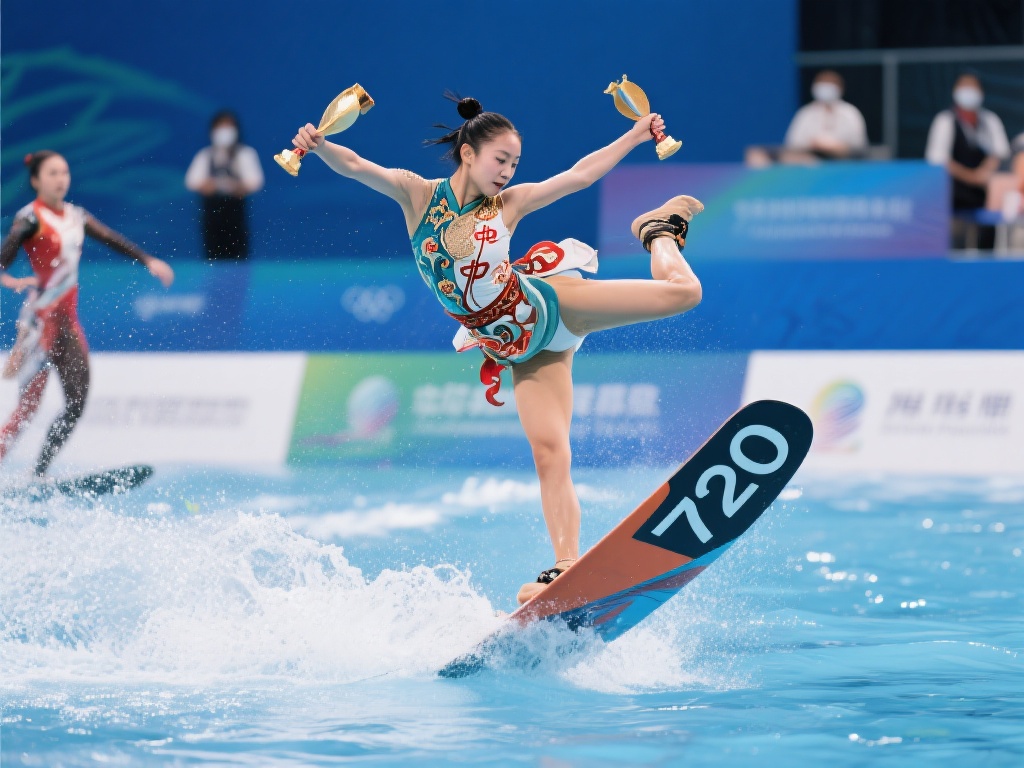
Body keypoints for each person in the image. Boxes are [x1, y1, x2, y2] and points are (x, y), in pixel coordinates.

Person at [289, 94, 703, 604]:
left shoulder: (508, 206)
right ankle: (566, 567)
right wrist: (321, 145)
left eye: (514, 164)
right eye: (500, 160)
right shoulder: (417, 196)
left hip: (554, 308)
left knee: (685, 294)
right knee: (550, 452)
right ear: (468, 154)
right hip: (524, 352)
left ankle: (658, 233)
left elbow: (579, 176)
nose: (507, 172)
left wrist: (636, 135)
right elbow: (355, 165)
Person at [0, 151, 174, 476]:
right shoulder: (30, 219)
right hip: (40, 327)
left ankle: (38, 475)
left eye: (64, 172)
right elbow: (5, 254)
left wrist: (148, 260)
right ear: (36, 180)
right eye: (52, 173)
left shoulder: (76, 216)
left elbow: (110, 239)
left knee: (76, 404)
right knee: (26, 411)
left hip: (67, 326)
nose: (61, 179)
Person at [925, 73, 1010, 250]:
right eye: (964, 87)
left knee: (987, 237)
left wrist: (983, 173)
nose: (969, 92)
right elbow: (938, 160)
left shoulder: (990, 120)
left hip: (984, 191)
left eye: (973, 87)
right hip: (954, 194)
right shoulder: (945, 121)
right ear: (955, 92)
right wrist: (970, 177)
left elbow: (1000, 152)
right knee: (956, 240)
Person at [185, 110, 264, 259]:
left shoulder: (246, 154)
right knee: (212, 258)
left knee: (238, 258)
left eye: (229, 127)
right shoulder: (205, 155)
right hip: (211, 217)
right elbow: (191, 182)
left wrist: (235, 186)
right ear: (212, 130)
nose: (225, 132)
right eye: (220, 127)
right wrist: (210, 185)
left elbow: (256, 182)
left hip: (236, 216)